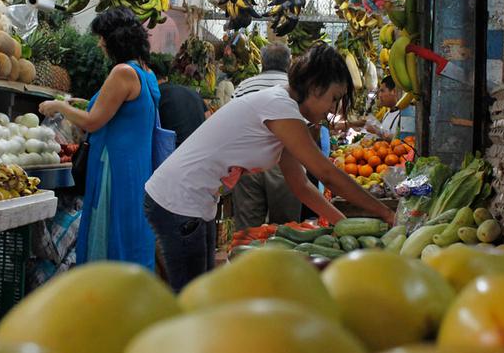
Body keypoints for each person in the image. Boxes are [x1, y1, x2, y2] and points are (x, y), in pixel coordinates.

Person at [144, 43, 396, 291]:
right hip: (178, 199)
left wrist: (344, 226)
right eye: (334, 98)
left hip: (196, 201)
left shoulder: (284, 110)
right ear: (316, 87)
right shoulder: (279, 105)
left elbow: (301, 185)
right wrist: (386, 214)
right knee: (192, 295)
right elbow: (327, 174)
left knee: (202, 290)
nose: (333, 108)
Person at [39, 8, 157, 269]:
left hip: (114, 167)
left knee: (109, 233)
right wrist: (78, 103)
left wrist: (58, 107)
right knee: (131, 233)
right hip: (136, 167)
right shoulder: (145, 72)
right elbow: (117, 110)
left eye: (102, 37)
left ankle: (107, 294)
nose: (99, 43)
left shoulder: (122, 72)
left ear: (114, 38)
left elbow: (94, 121)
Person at [230, 43, 302, 231]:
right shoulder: (296, 89)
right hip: (284, 166)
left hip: (247, 164)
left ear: (262, 62)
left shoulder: (243, 87)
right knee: (286, 230)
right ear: (289, 63)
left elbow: (232, 124)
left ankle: (245, 259)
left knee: (247, 231)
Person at [151, 56, 208, 146]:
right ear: (166, 77)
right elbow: (208, 116)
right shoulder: (193, 92)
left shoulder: (155, 96)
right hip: (200, 147)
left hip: (174, 153)